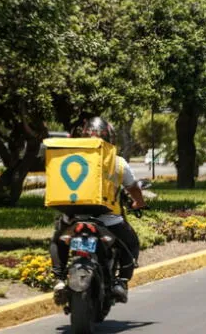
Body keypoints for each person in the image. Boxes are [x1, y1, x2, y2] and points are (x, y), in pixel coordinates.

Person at [51, 117, 146, 305]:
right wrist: (139, 203)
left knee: (57, 239)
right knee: (131, 243)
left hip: (73, 216)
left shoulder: (71, 157)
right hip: (108, 220)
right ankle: (121, 282)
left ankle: (59, 279)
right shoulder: (118, 162)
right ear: (110, 139)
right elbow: (133, 187)